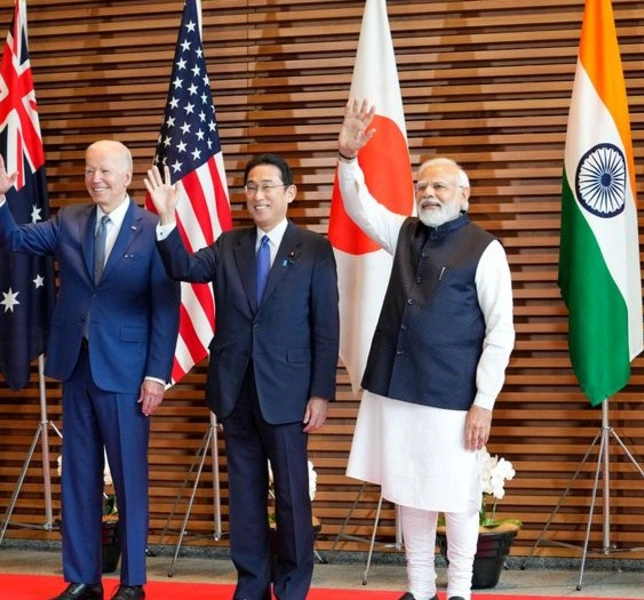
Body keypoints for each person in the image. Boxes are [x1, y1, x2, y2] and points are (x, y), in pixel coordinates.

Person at [0, 140, 180, 600]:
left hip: (128, 372)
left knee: (129, 478)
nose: (96, 179)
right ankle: (83, 577)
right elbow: (14, 239)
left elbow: (166, 309)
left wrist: (156, 374)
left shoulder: (154, 227)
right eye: (90, 171)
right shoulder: (69, 220)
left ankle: (132, 582)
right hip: (76, 365)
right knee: (78, 475)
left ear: (127, 176)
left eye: (105, 171)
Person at [336, 100, 515, 600]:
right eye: (422, 186)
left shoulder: (485, 248)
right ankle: (419, 589)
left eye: (440, 186)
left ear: (464, 194)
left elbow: (501, 332)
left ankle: (459, 591)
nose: (429, 193)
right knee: (407, 491)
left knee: (456, 498)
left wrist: (484, 401)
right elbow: (359, 206)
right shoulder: (404, 231)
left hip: (453, 398)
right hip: (397, 389)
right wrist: (348, 158)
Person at [145, 154, 339, 600]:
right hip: (235, 390)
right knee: (245, 500)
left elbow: (326, 326)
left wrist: (320, 393)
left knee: (291, 497)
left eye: (268, 185)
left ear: (289, 193)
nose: (258, 195)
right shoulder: (229, 243)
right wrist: (167, 218)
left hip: (289, 394)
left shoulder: (313, 248)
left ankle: (291, 587)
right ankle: (251, 585)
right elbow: (184, 269)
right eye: (251, 186)